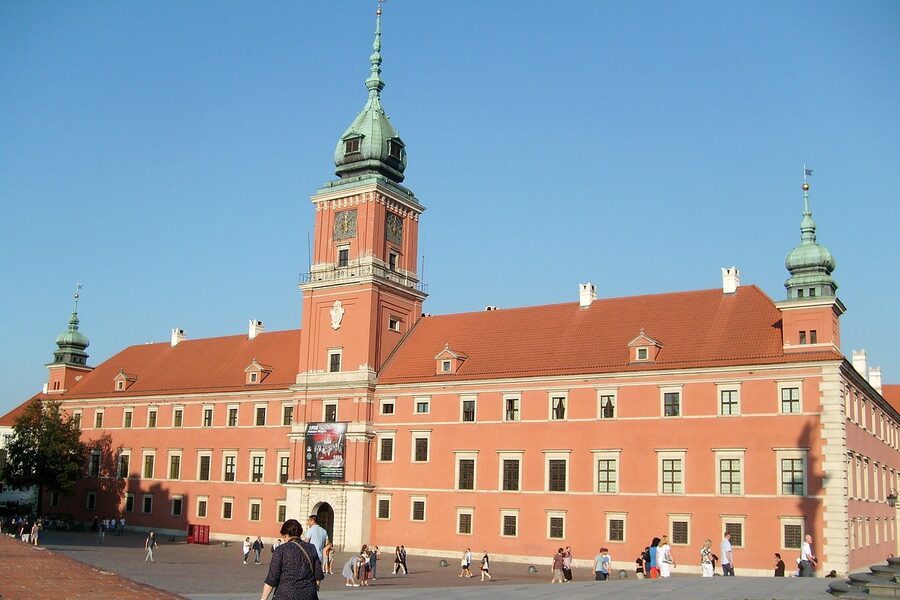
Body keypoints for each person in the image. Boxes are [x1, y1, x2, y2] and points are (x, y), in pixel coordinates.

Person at [261, 518, 325, 600]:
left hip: (286, 594)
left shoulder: (281, 550)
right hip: (309, 594)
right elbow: (318, 574)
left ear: (285, 534)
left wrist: (264, 598)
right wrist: (313, 589)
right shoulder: (311, 547)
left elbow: (272, 578)